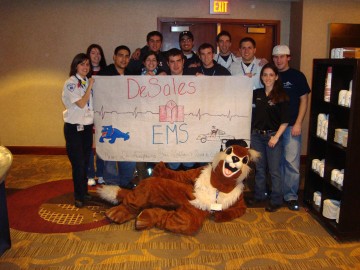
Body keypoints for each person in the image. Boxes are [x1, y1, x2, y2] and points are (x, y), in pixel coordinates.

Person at [272, 45, 311, 211]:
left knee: (291, 162)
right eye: (276, 57)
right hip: (274, 127)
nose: (279, 60)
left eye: (282, 56)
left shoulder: (297, 76)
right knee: (276, 163)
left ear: (289, 57)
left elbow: (304, 99)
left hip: (291, 126)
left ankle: (291, 196)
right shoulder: (270, 74)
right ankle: (278, 194)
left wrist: (298, 123)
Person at [251, 63, 289, 212]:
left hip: (273, 136)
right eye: (265, 75)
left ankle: (276, 200)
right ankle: (259, 195)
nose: (268, 78)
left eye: (271, 75)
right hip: (256, 136)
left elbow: (285, 120)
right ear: (261, 77)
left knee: (274, 170)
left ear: (276, 77)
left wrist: (276, 137)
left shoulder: (282, 96)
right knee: (259, 168)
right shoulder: (256, 94)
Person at [98, 45, 137, 189]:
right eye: (121, 55)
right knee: (110, 155)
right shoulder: (104, 74)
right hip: (110, 121)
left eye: (127, 56)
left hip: (127, 121)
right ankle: (111, 184)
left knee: (128, 152)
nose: (124, 59)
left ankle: (126, 182)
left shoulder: (132, 74)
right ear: (114, 57)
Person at [62, 53, 94, 208]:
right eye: (82, 64)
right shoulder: (71, 83)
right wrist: (91, 86)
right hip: (74, 128)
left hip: (87, 127)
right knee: (78, 163)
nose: (85, 67)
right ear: (76, 66)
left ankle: (84, 191)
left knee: (86, 162)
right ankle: (78, 196)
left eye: (88, 64)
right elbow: (81, 103)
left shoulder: (86, 80)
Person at [86, 44, 107, 186]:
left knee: (102, 144)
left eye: (98, 53)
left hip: (103, 114)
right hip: (87, 114)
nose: (96, 55)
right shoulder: (83, 73)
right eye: (93, 52)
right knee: (88, 145)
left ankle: (101, 173)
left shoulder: (107, 72)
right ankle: (90, 174)